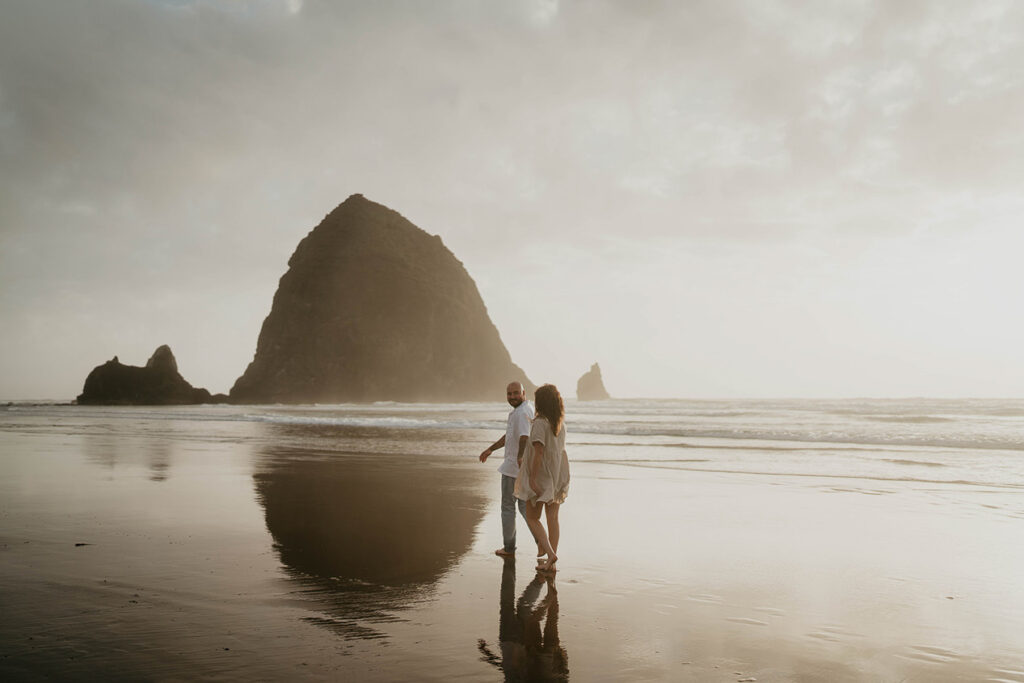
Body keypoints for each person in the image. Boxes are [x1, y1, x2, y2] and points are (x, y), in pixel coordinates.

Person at [515, 384, 569, 572]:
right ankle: (550, 563)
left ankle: (550, 554)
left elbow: (538, 452)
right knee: (553, 518)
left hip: (542, 475)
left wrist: (531, 479)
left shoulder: (539, 423)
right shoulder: (560, 424)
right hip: (558, 473)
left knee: (532, 517)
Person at [480, 381, 536, 557]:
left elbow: (525, 437)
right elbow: (510, 436)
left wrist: (519, 458)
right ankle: (542, 544)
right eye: (509, 394)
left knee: (508, 508)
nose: (512, 397)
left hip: (513, 468)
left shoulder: (522, 413)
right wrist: (491, 449)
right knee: (524, 508)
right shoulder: (521, 411)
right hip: (519, 466)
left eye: (515, 393)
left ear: (524, 393)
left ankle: (510, 548)